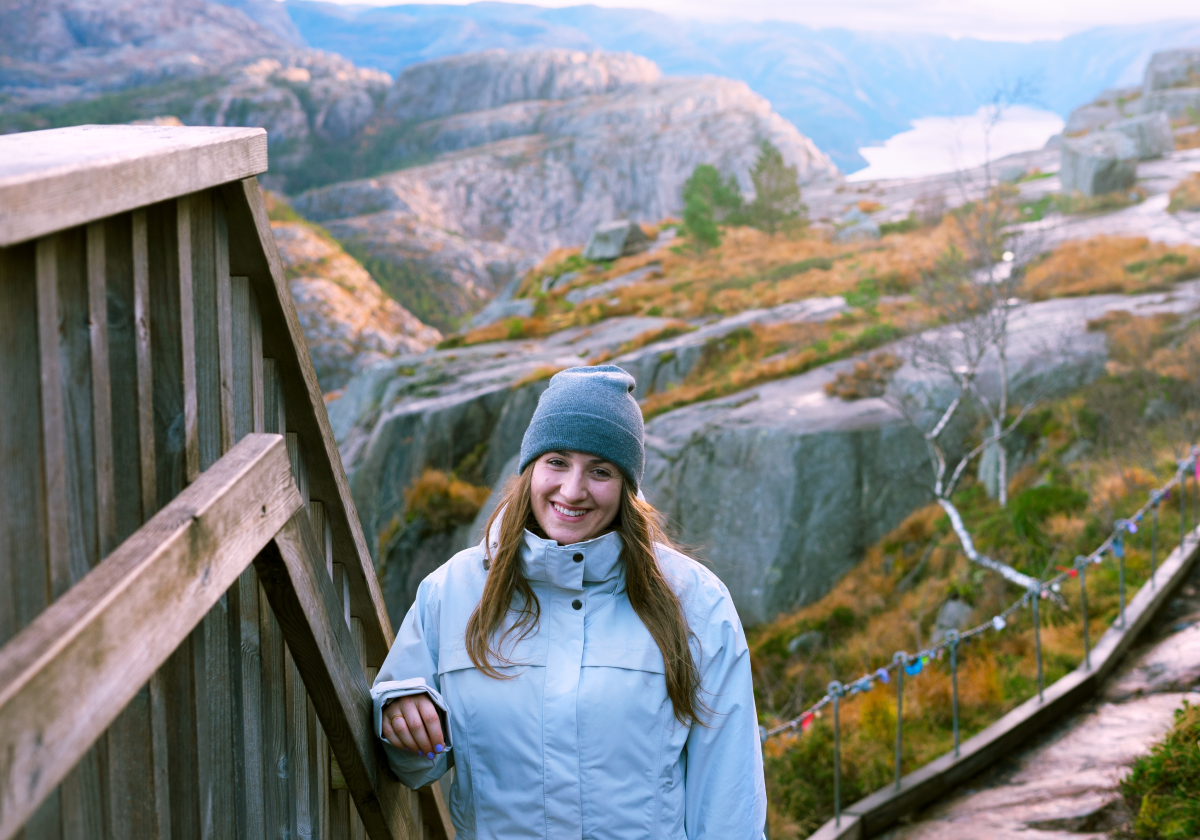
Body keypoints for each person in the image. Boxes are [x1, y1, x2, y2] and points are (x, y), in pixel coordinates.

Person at [371, 365, 766, 839]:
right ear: (530, 467)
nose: (573, 490)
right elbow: (415, 769)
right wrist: (397, 713)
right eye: (557, 461)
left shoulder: (696, 603)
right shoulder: (451, 591)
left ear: (626, 486)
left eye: (600, 471)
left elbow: (728, 804)